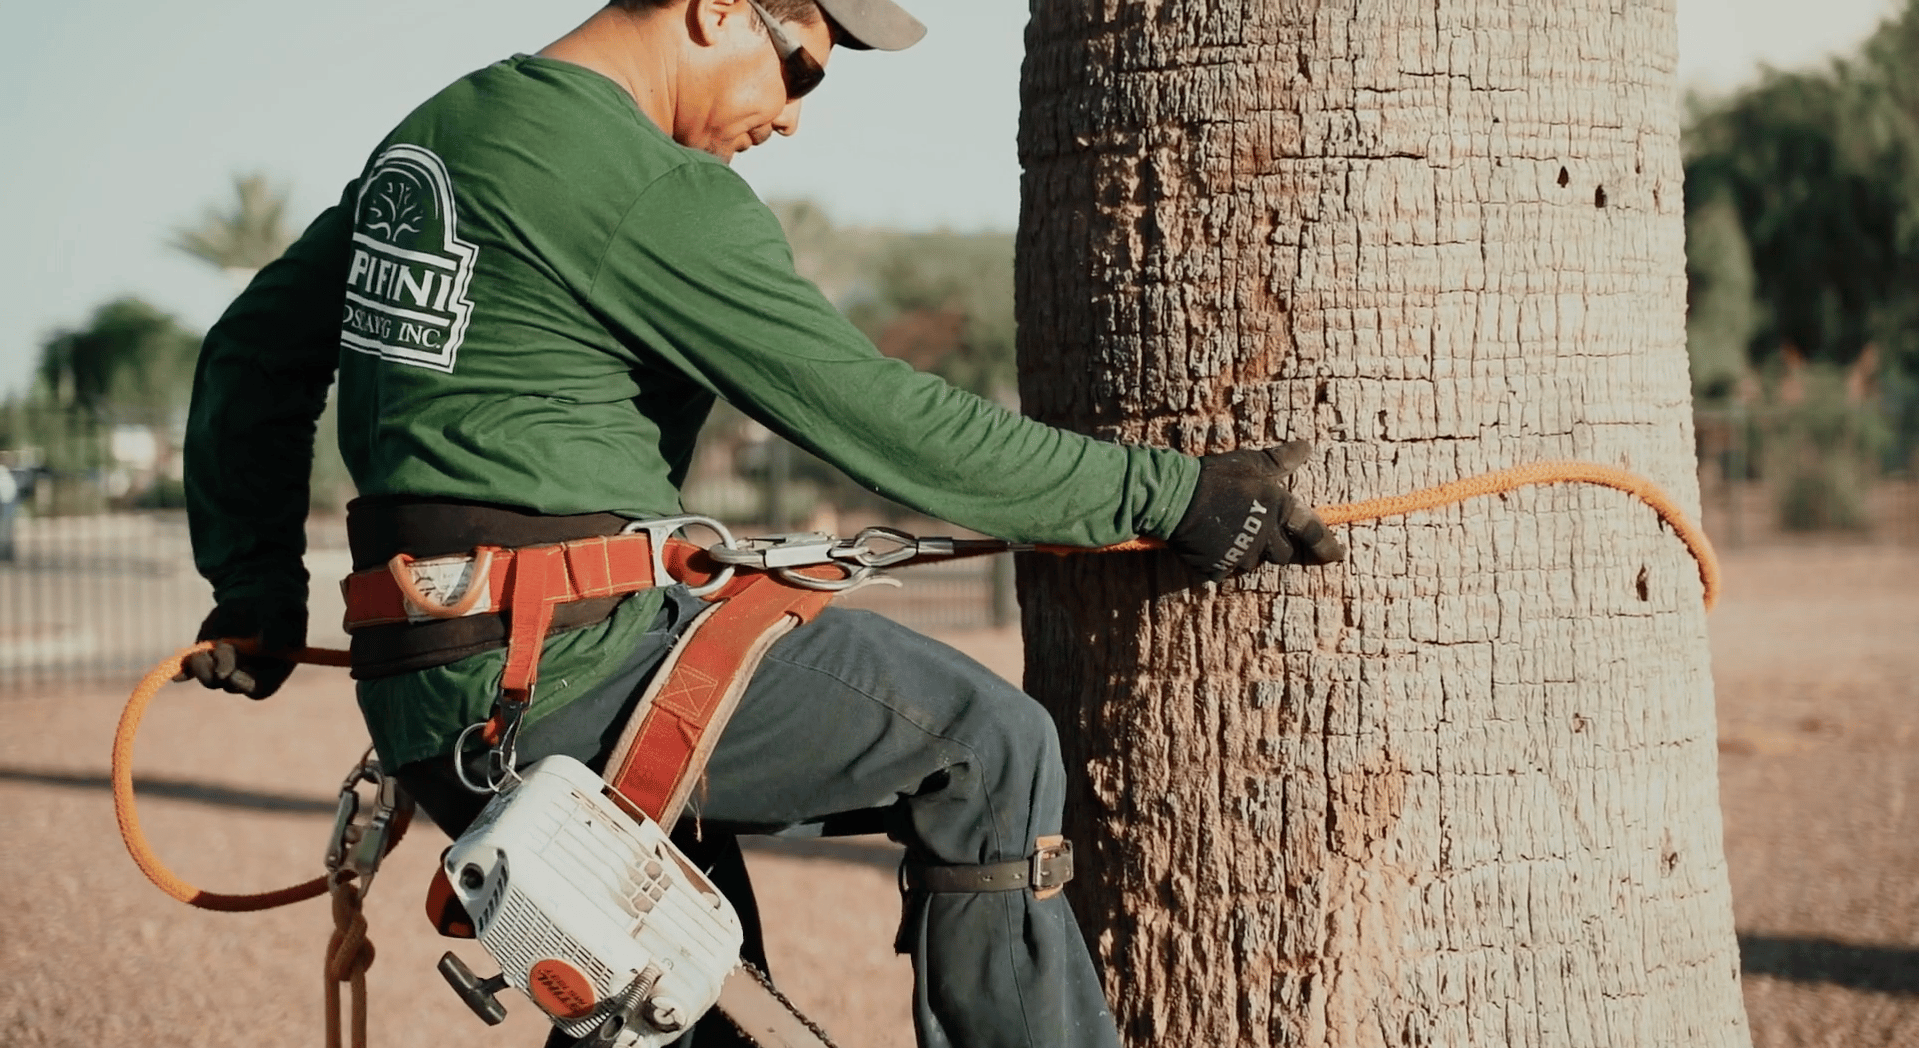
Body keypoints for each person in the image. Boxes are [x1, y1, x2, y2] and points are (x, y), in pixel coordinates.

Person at [180, 2, 1345, 1046]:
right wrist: (1179, 498)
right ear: (714, 11)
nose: (793, 120)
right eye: (805, 69)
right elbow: (885, 420)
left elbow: (247, 358)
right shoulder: (637, 184)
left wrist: (254, 594)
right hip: (571, 675)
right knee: (986, 747)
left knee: (697, 1017)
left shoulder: (439, 137)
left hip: (441, 692)